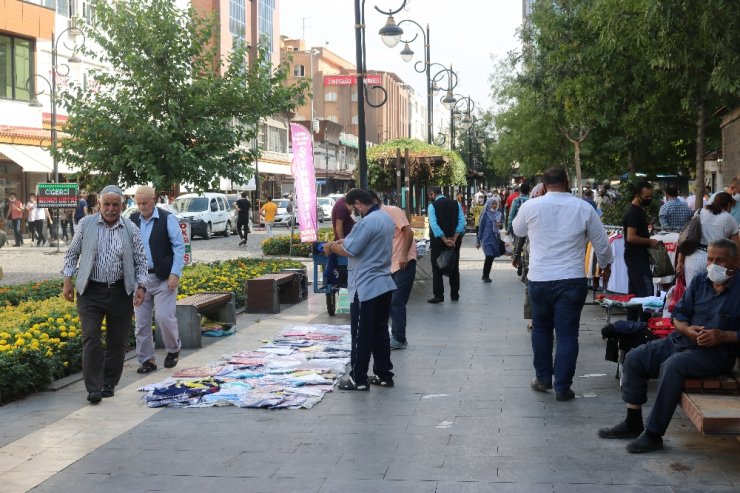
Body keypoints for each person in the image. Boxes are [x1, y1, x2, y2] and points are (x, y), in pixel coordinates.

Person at [598, 239, 740, 453]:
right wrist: (687, 330)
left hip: (716, 353)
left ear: (736, 261)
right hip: (682, 340)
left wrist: (723, 336)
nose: (713, 264)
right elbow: (678, 316)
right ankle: (633, 421)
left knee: (673, 366)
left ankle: (654, 434)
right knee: (635, 357)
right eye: (710, 258)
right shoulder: (701, 280)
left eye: (719, 260)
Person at [513, 167, 613, 402]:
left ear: (544, 184)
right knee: (568, 335)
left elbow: (517, 230)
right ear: (567, 182)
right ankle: (563, 386)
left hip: (539, 279)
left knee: (541, 329)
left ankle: (543, 377)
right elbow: (603, 245)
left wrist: (532, 203)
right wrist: (606, 266)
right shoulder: (583, 208)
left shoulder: (531, 206)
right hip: (571, 279)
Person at [62, 185, 149, 404]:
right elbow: (72, 254)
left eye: (115, 205)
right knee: (91, 337)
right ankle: (93, 387)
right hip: (90, 291)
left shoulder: (130, 228)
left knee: (117, 341)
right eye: (107, 204)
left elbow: (141, 261)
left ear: (122, 206)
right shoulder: (86, 224)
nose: (111, 209)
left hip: (120, 291)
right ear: (99, 204)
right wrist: (67, 281)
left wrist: (141, 287)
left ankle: (109, 382)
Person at [322, 189, 396, 390]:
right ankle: (383, 374)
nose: (353, 212)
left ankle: (359, 378)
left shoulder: (367, 222)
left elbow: (350, 250)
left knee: (361, 333)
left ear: (357, 203)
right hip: (383, 283)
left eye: (352, 208)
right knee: (379, 332)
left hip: (366, 287)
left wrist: (331, 246)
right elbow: (359, 242)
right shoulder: (385, 218)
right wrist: (342, 242)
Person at [130, 186, 186, 374]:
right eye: (138, 203)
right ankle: (147, 360)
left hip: (163, 277)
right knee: (141, 323)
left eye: (145, 203)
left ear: (153, 200)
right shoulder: (132, 219)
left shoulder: (167, 218)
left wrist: (175, 273)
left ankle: (173, 349)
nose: (142, 207)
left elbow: (179, 247)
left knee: (163, 317)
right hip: (141, 280)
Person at [367, 190, 416, 350]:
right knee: (387, 301)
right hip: (388, 265)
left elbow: (408, 232)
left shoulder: (393, 211)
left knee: (397, 301)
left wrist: (403, 255)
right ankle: (387, 335)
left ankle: (399, 338)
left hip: (403, 262)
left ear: (374, 200)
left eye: (362, 203)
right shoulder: (371, 218)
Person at [676, 192, 740, 288]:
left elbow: (685, 239)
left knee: (693, 294)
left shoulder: (699, 212)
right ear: (729, 205)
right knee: (714, 296)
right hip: (716, 263)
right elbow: (736, 248)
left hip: (693, 259)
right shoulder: (729, 219)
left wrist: (680, 261)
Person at [622, 181, 660, 321]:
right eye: (646, 197)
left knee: (634, 294)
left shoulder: (638, 211)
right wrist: (649, 241)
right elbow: (631, 237)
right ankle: (644, 326)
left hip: (636, 257)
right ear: (637, 195)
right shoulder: (633, 213)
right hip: (636, 258)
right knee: (646, 293)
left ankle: (631, 326)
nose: (649, 199)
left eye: (651, 196)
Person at [427, 186, 466, 304]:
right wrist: (454, 237)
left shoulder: (432, 206)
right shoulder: (456, 204)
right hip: (454, 241)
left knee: (436, 267)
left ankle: (439, 295)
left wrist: (444, 238)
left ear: (433, 194)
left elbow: (434, 225)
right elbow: (461, 221)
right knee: (454, 265)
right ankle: (455, 294)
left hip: (438, 242)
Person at [476, 197, 503, 283]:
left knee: (491, 257)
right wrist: (478, 240)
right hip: (486, 239)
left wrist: (500, 225)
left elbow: (500, 226)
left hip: (495, 239)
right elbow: (481, 228)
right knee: (489, 256)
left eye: (496, 203)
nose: (494, 205)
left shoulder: (499, 214)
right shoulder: (485, 214)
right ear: (489, 204)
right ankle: (485, 275)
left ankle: (486, 275)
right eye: (493, 203)